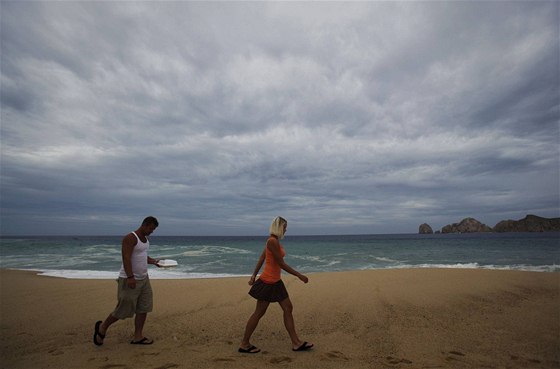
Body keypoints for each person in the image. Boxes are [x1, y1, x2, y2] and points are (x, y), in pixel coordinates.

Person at [239, 216, 314, 353]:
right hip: (268, 282)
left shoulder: (274, 241)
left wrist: (253, 276)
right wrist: (299, 275)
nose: (286, 230)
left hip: (276, 282)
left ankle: (296, 343)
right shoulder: (272, 241)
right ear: (279, 227)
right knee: (259, 312)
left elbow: (262, 258)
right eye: (284, 227)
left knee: (288, 308)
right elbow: (281, 263)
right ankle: (244, 343)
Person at [93, 216, 161, 346]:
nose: (152, 231)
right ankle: (102, 327)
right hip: (130, 279)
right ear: (145, 225)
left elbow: (141, 256)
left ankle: (138, 337)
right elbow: (126, 257)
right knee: (123, 309)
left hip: (144, 279)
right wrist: (130, 277)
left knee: (143, 308)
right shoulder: (130, 238)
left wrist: (154, 261)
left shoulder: (145, 240)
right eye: (151, 229)